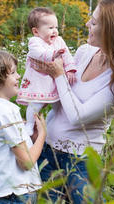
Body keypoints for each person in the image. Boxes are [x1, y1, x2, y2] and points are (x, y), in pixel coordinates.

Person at [31, 0, 114, 203]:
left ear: (112, 31)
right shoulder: (83, 52)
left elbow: (78, 117)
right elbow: (62, 98)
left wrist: (58, 75)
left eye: (95, 22)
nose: (88, 24)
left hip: (81, 162)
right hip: (48, 151)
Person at [0, 50, 47, 204]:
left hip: (15, 193)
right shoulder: (4, 114)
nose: (18, 76)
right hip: (15, 195)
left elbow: (18, 151)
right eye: (13, 73)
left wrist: (32, 137)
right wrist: (42, 135)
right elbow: (26, 162)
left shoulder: (2, 111)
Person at [16, 7, 76, 135]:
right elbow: (38, 53)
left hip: (55, 81)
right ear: (36, 31)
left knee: (60, 105)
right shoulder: (34, 42)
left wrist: (70, 69)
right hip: (38, 80)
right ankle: (30, 125)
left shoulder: (59, 41)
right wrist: (53, 54)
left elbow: (67, 55)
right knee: (35, 105)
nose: (55, 31)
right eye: (50, 28)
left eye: (56, 28)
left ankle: (55, 124)